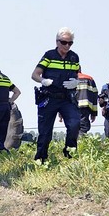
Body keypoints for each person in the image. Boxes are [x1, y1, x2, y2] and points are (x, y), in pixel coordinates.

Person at [31, 27, 81, 164]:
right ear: (57, 41)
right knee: (45, 132)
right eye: (64, 42)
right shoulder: (49, 55)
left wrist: (76, 82)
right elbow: (34, 74)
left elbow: (78, 74)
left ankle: (70, 154)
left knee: (75, 124)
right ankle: (41, 159)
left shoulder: (74, 57)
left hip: (66, 98)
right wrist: (43, 80)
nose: (67, 46)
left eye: (70, 43)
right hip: (49, 98)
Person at [76, 68, 98, 135]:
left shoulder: (68, 78)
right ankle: (82, 143)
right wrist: (94, 113)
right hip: (85, 108)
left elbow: (63, 96)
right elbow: (94, 96)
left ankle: (73, 144)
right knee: (83, 128)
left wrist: (61, 114)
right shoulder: (89, 79)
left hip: (72, 107)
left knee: (72, 127)